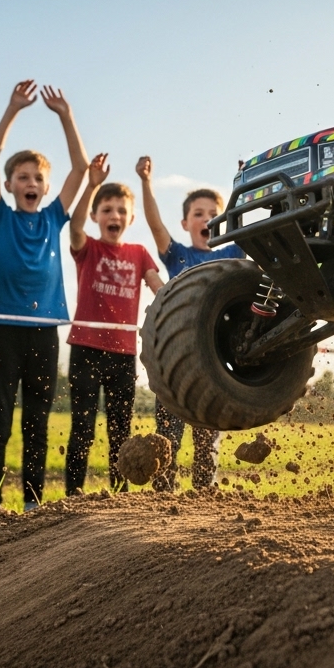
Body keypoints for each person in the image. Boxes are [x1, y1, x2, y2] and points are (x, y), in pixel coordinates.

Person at [0, 82, 88, 510]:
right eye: (22, 176)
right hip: (5, 331)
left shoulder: (54, 218)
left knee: (37, 422)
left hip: (44, 334)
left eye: (37, 177)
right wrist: (12, 110)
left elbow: (80, 168)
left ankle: (33, 504)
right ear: (8, 185)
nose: (30, 181)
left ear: (45, 188)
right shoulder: (0, 217)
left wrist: (65, 115)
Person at [135, 157, 244, 491]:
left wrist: (240, 181)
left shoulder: (232, 253)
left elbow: (241, 223)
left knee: (207, 445)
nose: (207, 219)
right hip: (174, 364)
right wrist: (146, 182)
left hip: (213, 366)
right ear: (185, 223)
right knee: (167, 439)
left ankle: (204, 501)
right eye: (199, 214)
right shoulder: (178, 256)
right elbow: (155, 227)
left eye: (213, 214)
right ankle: (163, 499)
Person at [65, 154, 162, 494]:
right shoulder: (88, 248)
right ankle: (72, 498)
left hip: (123, 353)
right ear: (96, 216)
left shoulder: (139, 253)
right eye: (106, 209)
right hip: (85, 349)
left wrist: (180, 305)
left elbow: (157, 288)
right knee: (83, 428)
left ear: (130, 217)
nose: (114, 215)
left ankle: (119, 499)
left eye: (121, 210)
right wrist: (91, 185)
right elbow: (74, 228)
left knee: (120, 431)